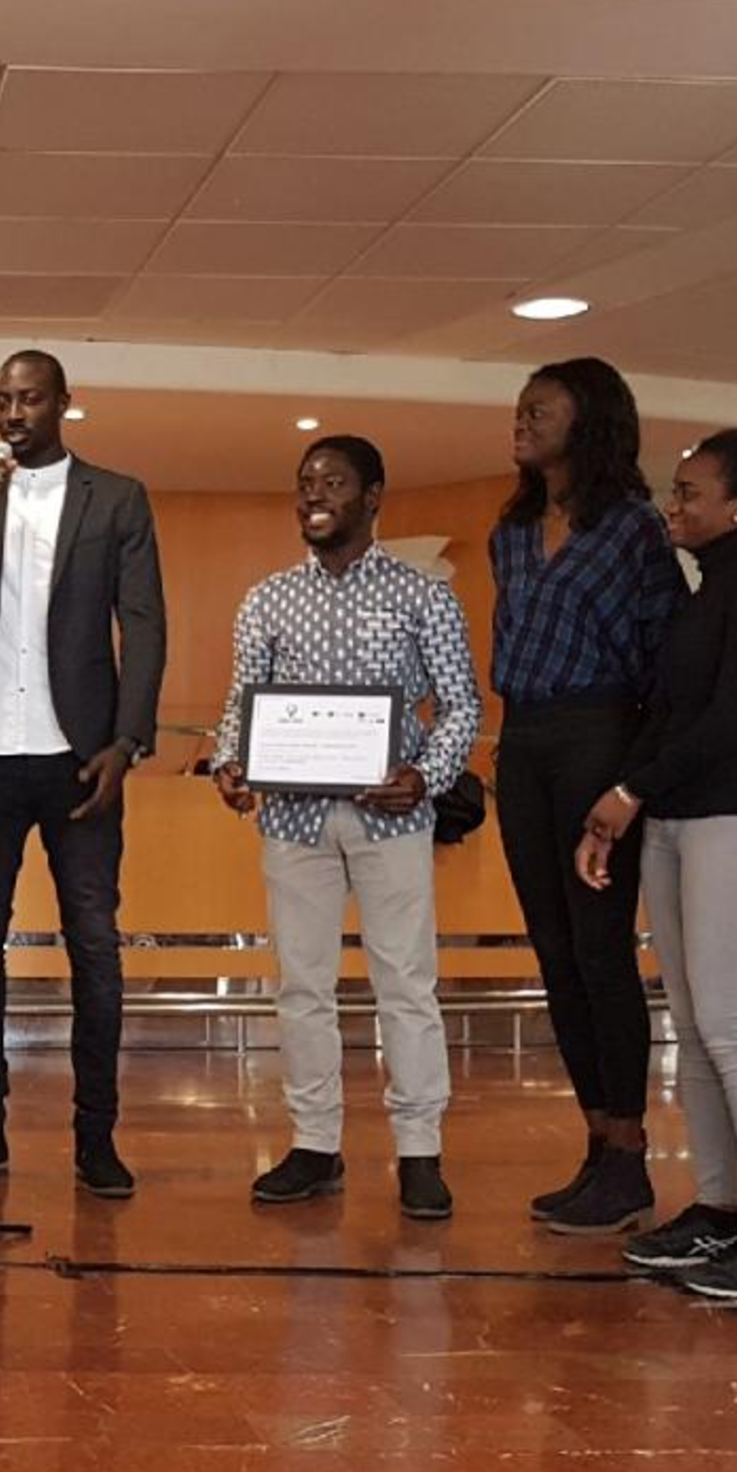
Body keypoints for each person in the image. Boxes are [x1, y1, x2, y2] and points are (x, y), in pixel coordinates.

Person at [0, 349, 166, 1199]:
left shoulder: (115, 496)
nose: (13, 414)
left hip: (79, 757)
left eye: (30, 399)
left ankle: (97, 1137)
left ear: (63, 403)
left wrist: (128, 742)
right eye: (2, 400)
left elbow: (144, 624)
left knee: (94, 942)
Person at [575, 428, 737, 1298]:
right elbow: (669, 714)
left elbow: (736, 718)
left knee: (733, 1031)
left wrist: (632, 790)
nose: (671, 505)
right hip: (679, 823)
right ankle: (718, 1210)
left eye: (688, 492)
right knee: (698, 1030)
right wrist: (616, 808)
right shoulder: (701, 594)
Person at [214, 436, 481, 1219]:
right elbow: (243, 699)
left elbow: (461, 704)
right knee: (302, 985)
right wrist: (230, 761)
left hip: (392, 819)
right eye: (305, 482)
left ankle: (420, 1150)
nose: (314, 495)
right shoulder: (267, 598)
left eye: (333, 482)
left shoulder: (422, 595)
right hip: (293, 821)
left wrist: (424, 775)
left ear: (373, 497)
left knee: (406, 984)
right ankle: (314, 1143)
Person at [490, 357, 684, 1236]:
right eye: (522, 407)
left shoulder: (635, 529)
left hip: (599, 733)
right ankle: (598, 1143)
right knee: (555, 952)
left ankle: (631, 1156)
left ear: (590, 420)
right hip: (524, 739)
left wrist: (629, 781)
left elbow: (663, 663)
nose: (523, 419)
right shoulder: (512, 528)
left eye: (542, 409)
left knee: (601, 951)